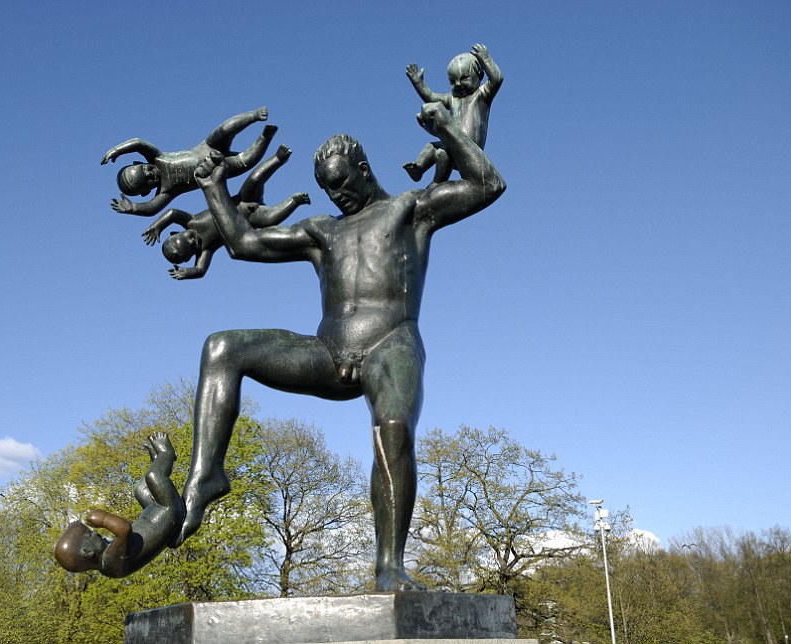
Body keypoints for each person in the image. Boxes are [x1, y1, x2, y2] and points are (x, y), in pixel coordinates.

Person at [180, 101, 505, 591]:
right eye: (327, 188)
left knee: (393, 428)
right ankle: (206, 475)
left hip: (390, 343)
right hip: (326, 352)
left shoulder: (409, 210)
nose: (336, 194)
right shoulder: (322, 230)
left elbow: (488, 185)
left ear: (363, 169)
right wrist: (213, 187)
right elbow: (244, 244)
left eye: (341, 182)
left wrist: (445, 128)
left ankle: (389, 566)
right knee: (221, 348)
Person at [139, 145, 310, 280]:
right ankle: (296, 200)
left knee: (255, 179)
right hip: (251, 220)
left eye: (188, 237)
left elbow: (172, 213)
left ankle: (278, 158)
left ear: (177, 232)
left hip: (242, 201)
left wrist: (157, 226)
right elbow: (200, 270)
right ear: (189, 256)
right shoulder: (206, 249)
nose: (194, 240)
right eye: (192, 246)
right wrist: (187, 273)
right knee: (272, 217)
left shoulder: (191, 221)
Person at [100, 107, 276, 218]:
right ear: (146, 191)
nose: (149, 174)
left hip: (207, 147)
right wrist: (134, 208)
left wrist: (117, 150)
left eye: (144, 169)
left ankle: (253, 116)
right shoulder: (166, 191)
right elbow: (152, 209)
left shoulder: (157, 158)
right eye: (146, 181)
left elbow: (138, 143)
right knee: (246, 160)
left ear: (140, 161)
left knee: (224, 130)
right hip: (217, 169)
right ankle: (266, 136)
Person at [54, 433, 184, 578]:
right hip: (168, 510)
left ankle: (158, 462)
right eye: (90, 534)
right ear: (87, 552)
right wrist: (101, 519)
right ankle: (167, 454)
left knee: (140, 490)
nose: (96, 533)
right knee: (153, 477)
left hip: (153, 511)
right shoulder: (111, 561)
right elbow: (124, 529)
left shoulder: (108, 563)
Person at [403, 43, 502, 184]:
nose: (458, 84)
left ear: (479, 75)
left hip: (469, 148)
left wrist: (486, 60)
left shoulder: (481, 96)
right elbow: (430, 97)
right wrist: (418, 83)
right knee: (431, 146)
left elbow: (497, 80)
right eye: (453, 82)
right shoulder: (453, 99)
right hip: (452, 144)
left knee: (442, 153)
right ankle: (418, 168)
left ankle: (436, 184)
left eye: (464, 78)